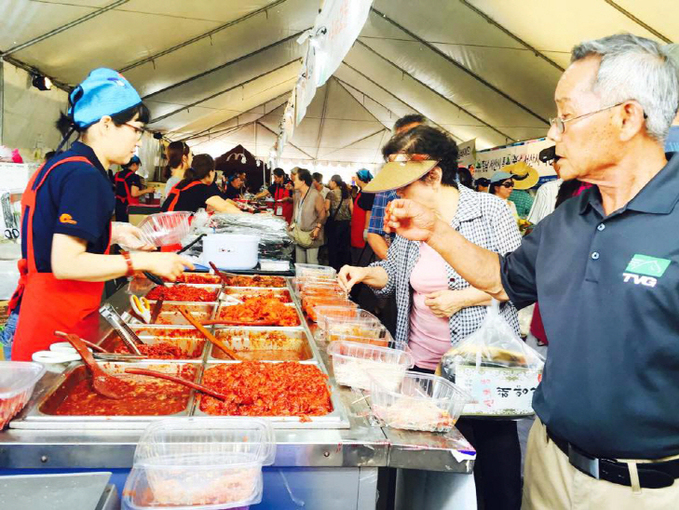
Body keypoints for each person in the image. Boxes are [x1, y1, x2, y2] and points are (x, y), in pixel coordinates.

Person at [379, 34, 679, 509]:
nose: (553, 135)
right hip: (547, 463)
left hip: (647, 490)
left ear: (627, 118)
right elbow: (504, 279)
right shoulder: (570, 216)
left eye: (566, 116)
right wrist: (435, 231)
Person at [339, 125, 523, 510]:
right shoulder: (411, 220)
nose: (398, 195)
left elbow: (515, 284)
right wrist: (365, 274)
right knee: (428, 481)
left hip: (480, 372)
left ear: (435, 176)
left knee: (493, 479)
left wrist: (460, 298)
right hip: (422, 369)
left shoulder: (491, 211)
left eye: (404, 187)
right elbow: (392, 275)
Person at [8, 68, 192, 362]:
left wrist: (114, 231)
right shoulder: (85, 175)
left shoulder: (65, 163)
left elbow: (51, 230)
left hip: (39, 314)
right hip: (56, 330)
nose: (140, 142)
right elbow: (66, 263)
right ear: (106, 124)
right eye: (137, 129)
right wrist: (147, 260)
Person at [161, 154, 242, 214]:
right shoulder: (201, 188)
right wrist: (248, 218)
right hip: (173, 229)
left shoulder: (185, 183)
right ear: (210, 172)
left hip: (162, 227)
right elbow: (225, 207)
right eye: (214, 171)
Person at [291, 168, 327, 264]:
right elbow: (295, 213)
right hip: (299, 233)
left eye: (296, 179)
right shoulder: (297, 195)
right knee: (299, 263)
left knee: (311, 264)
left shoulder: (315, 195)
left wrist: (317, 229)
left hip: (311, 235)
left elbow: (323, 215)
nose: (293, 181)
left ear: (303, 181)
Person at [114, 155, 154, 222]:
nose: (138, 167)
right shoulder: (134, 176)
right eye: (138, 165)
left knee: (120, 225)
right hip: (129, 207)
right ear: (134, 164)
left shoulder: (117, 174)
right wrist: (148, 190)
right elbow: (134, 193)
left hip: (118, 205)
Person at [325, 175, 353, 271]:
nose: (329, 183)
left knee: (333, 248)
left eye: (330, 181)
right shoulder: (347, 194)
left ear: (334, 182)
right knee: (343, 247)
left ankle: (333, 268)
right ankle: (343, 268)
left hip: (335, 224)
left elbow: (326, 208)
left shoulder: (330, 193)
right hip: (346, 224)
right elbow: (352, 209)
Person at [350, 169, 375, 266]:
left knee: (361, 260)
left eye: (356, 177)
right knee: (356, 257)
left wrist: (366, 229)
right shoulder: (362, 191)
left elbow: (369, 212)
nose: (355, 179)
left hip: (362, 231)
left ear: (361, 178)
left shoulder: (368, 193)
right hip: (356, 230)